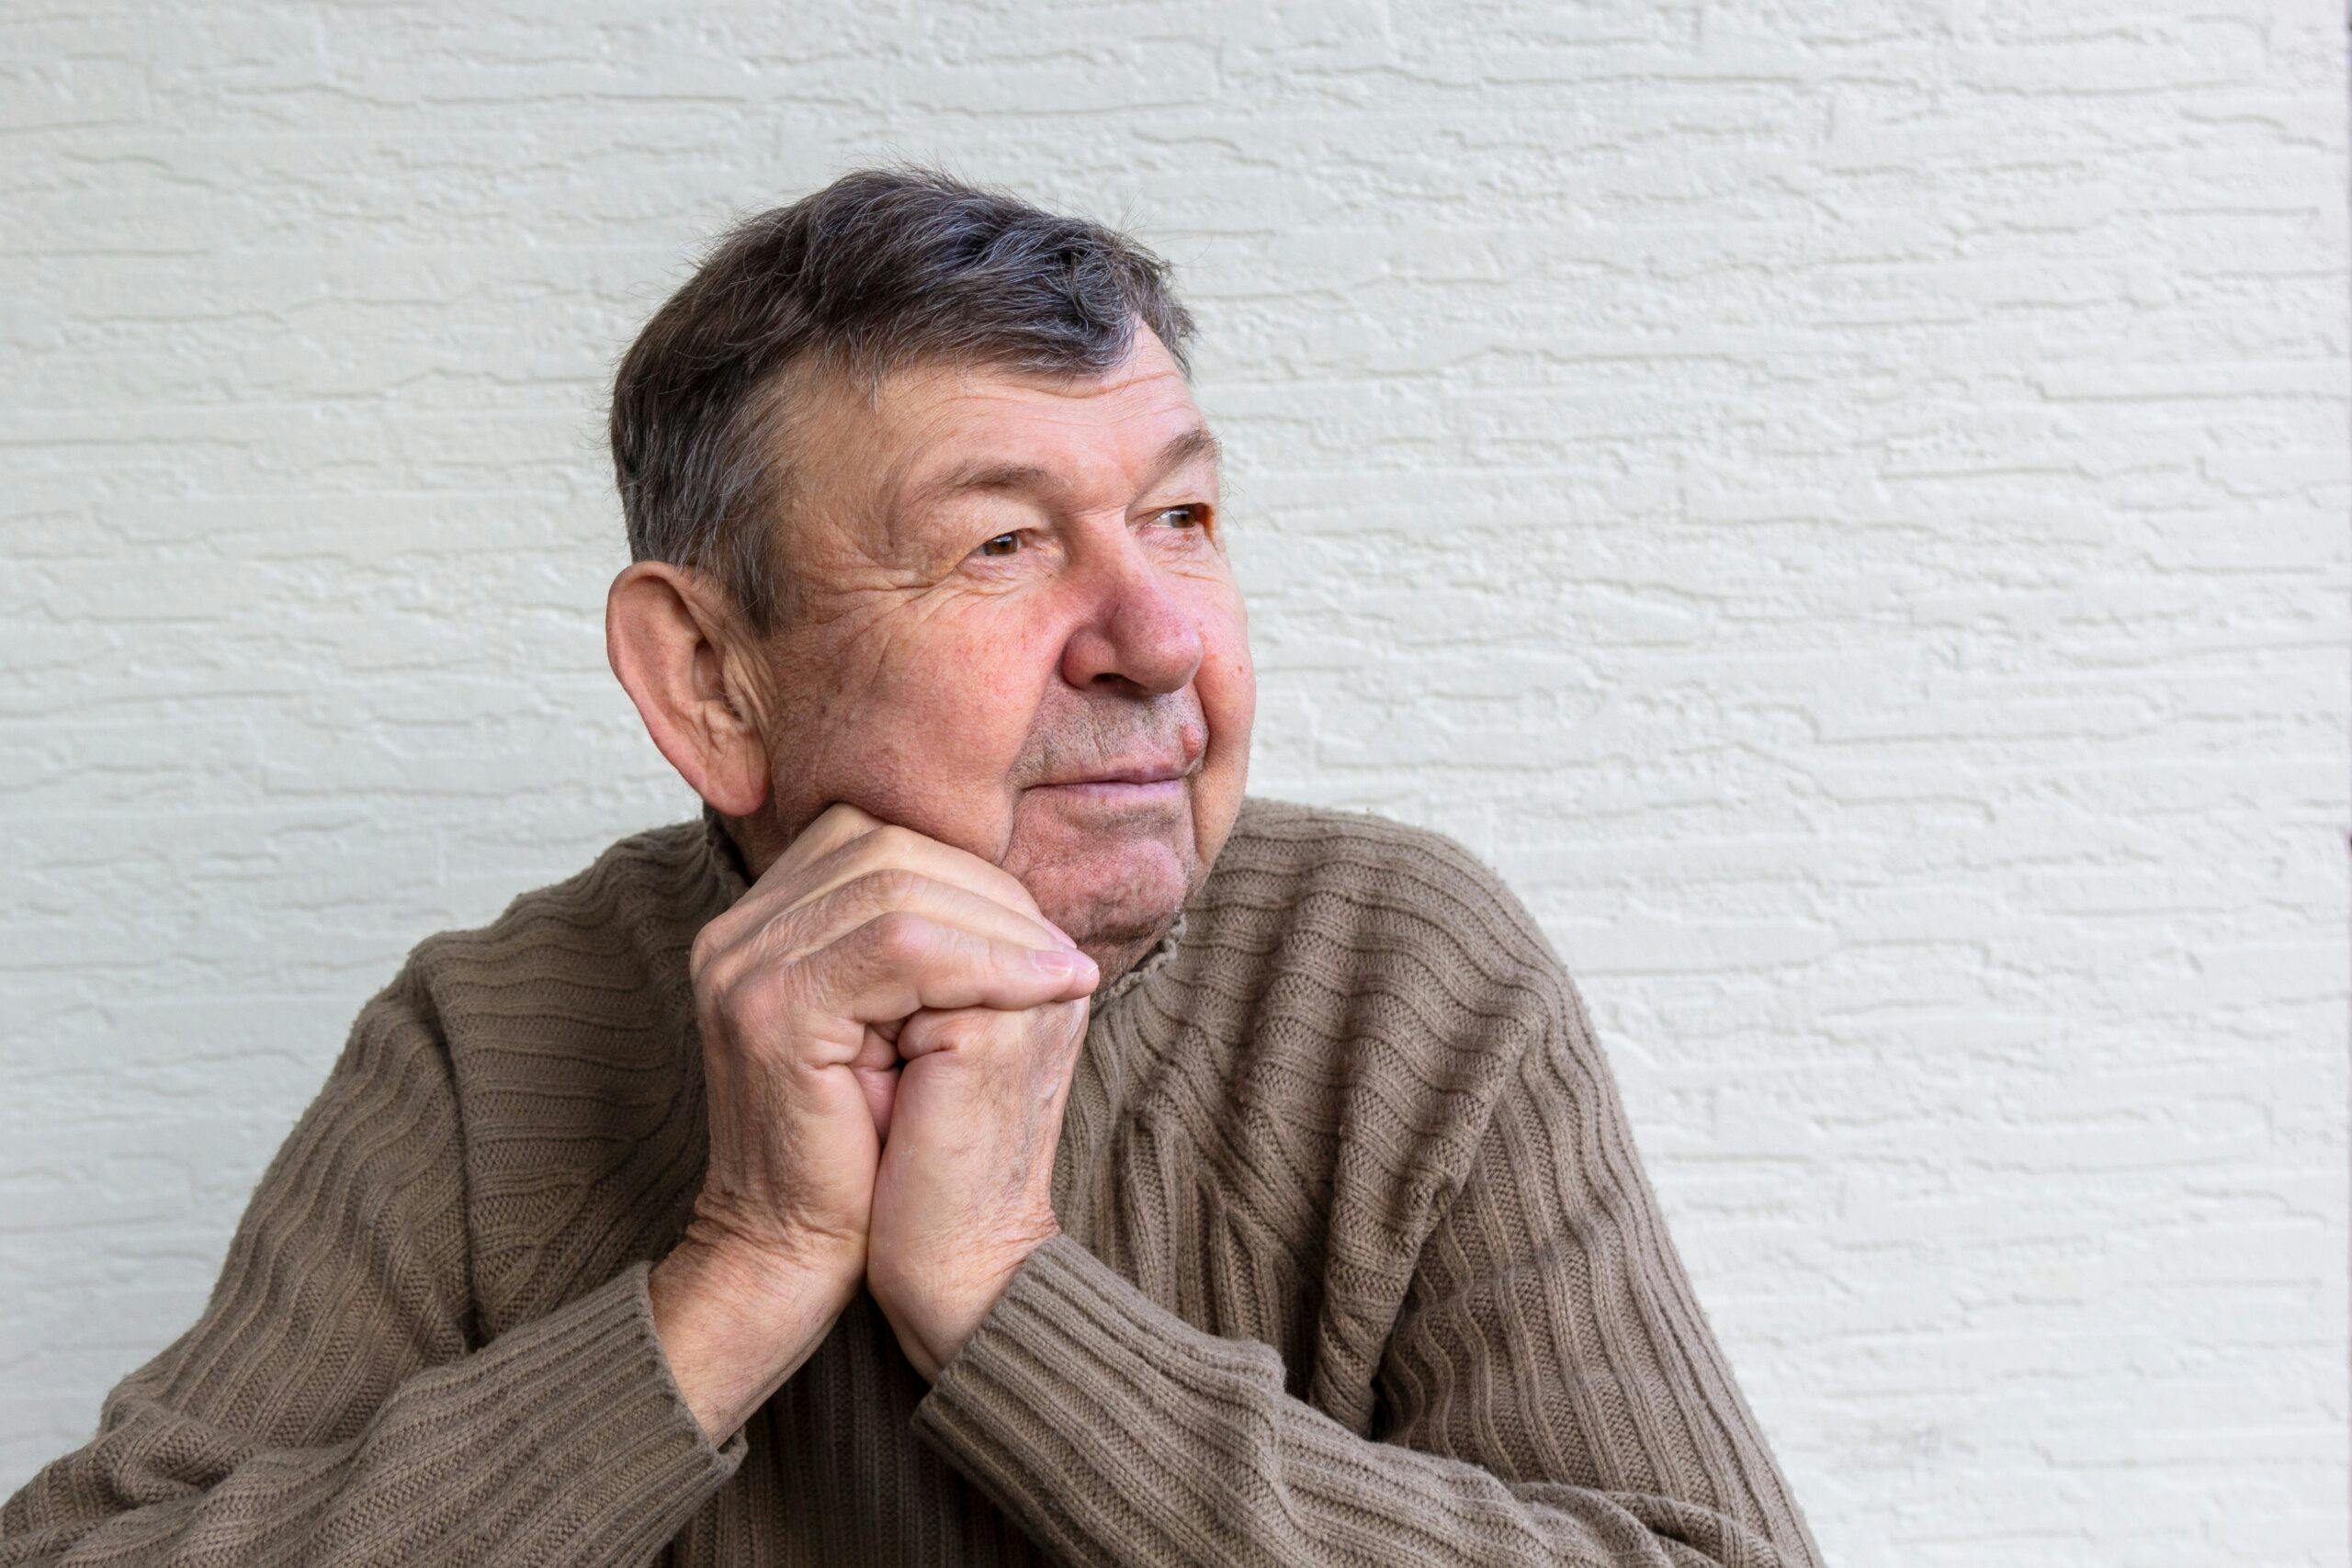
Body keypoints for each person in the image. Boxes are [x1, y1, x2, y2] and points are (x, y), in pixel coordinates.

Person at [0, 163, 1826, 1568]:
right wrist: (730, 1283)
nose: (1156, 638)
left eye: (1179, 516)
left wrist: (1011, 1299)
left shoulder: (1400, 976)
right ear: (713, 679)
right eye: (1004, 544)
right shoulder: (497, 1041)